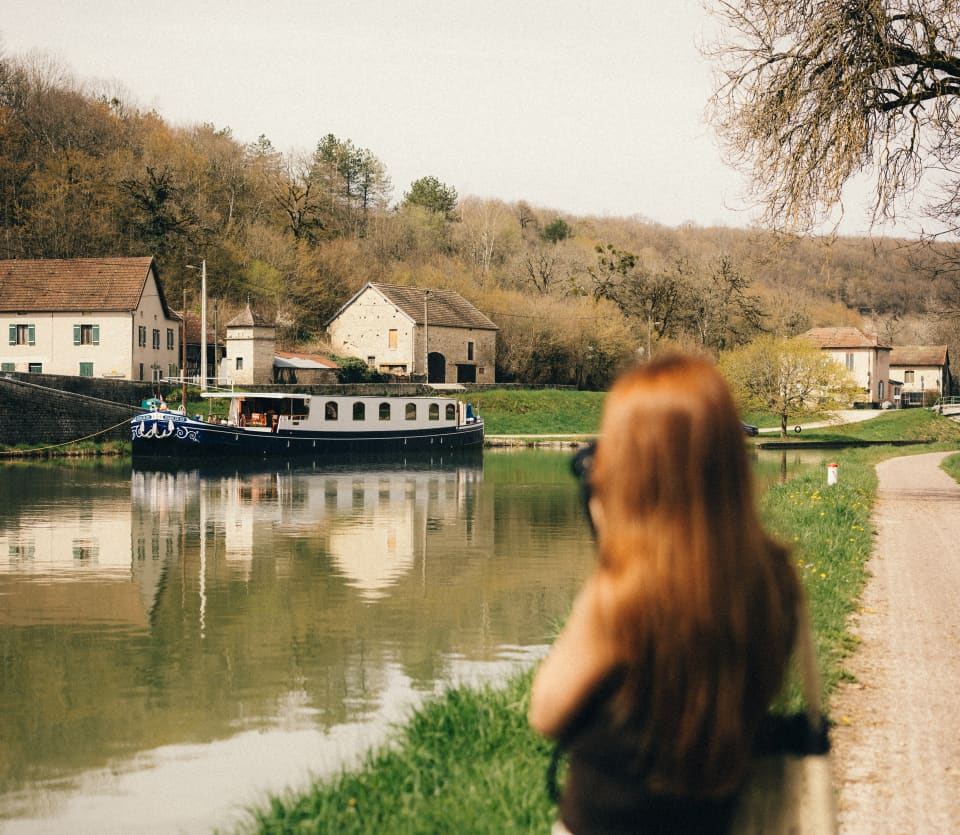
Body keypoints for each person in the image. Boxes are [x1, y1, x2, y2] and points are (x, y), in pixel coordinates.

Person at [529, 353, 802, 835]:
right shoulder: (775, 579)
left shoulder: (619, 596)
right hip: (716, 819)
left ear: (632, 468)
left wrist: (612, 551)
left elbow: (546, 714)